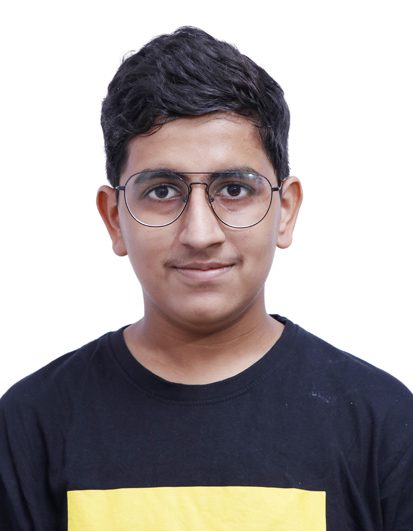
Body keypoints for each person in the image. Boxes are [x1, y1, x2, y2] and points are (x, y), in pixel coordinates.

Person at [0, 26, 412, 531]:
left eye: (234, 189)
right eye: (162, 190)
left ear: (285, 210)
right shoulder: (31, 426)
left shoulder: (383, 423)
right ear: (114, 219)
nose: (200, 233)